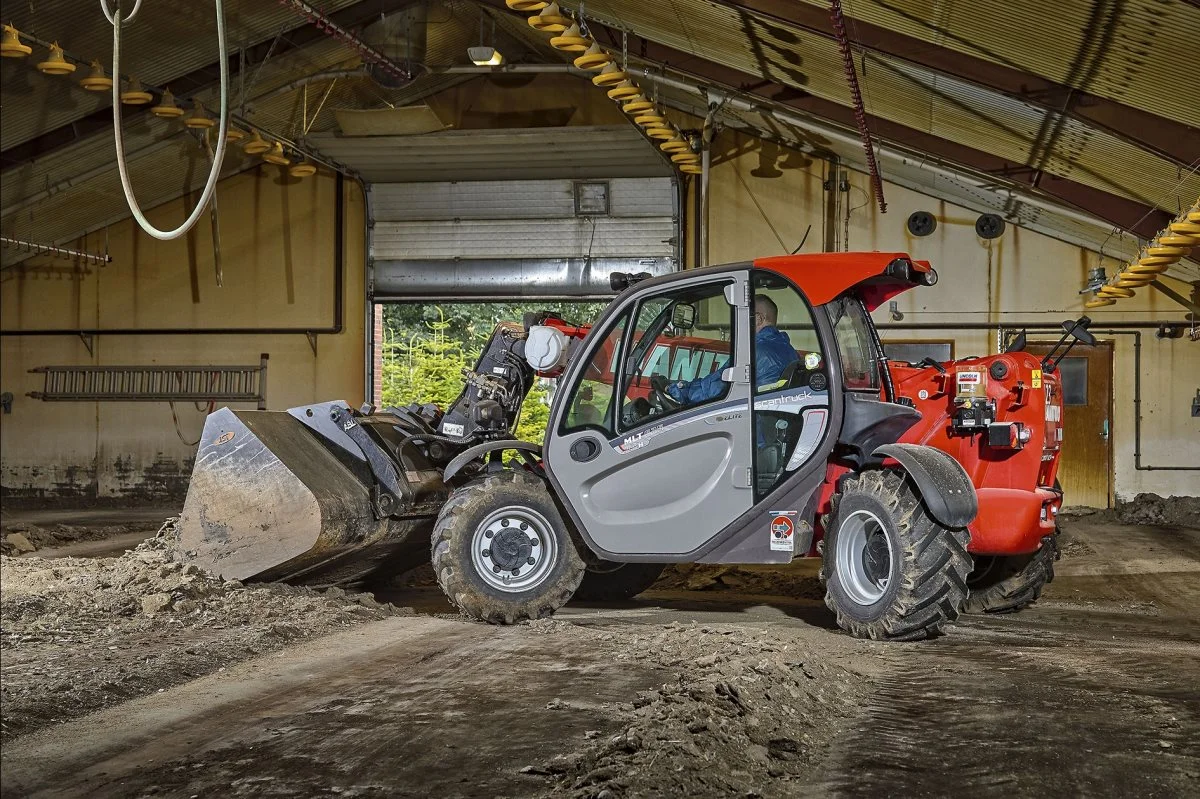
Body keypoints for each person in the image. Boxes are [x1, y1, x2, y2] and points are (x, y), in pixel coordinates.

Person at [655, 295, 798, 405]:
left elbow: (713, 390)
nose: (738, 326)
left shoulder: (753, 353)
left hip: (752, 431)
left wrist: (673, 389)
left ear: (758, 319)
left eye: (742, 318)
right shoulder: (790, 351)